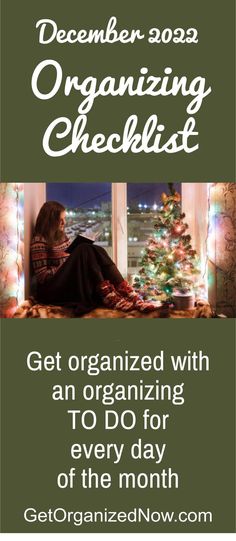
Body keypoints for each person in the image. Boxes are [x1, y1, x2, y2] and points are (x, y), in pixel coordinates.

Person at [30, 201, 157, 315]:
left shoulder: (61, 236)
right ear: (50, 220)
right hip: (51, 290)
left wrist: (69, 259)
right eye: (60, 219)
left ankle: (129, 293)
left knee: (95, 249)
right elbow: (42, 278)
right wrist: (67, 261)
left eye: (64, 219)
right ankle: (107, 294)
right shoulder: (39, 241)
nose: (64, 223)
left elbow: (68, 256)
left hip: (64, 281)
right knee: (83, 249)